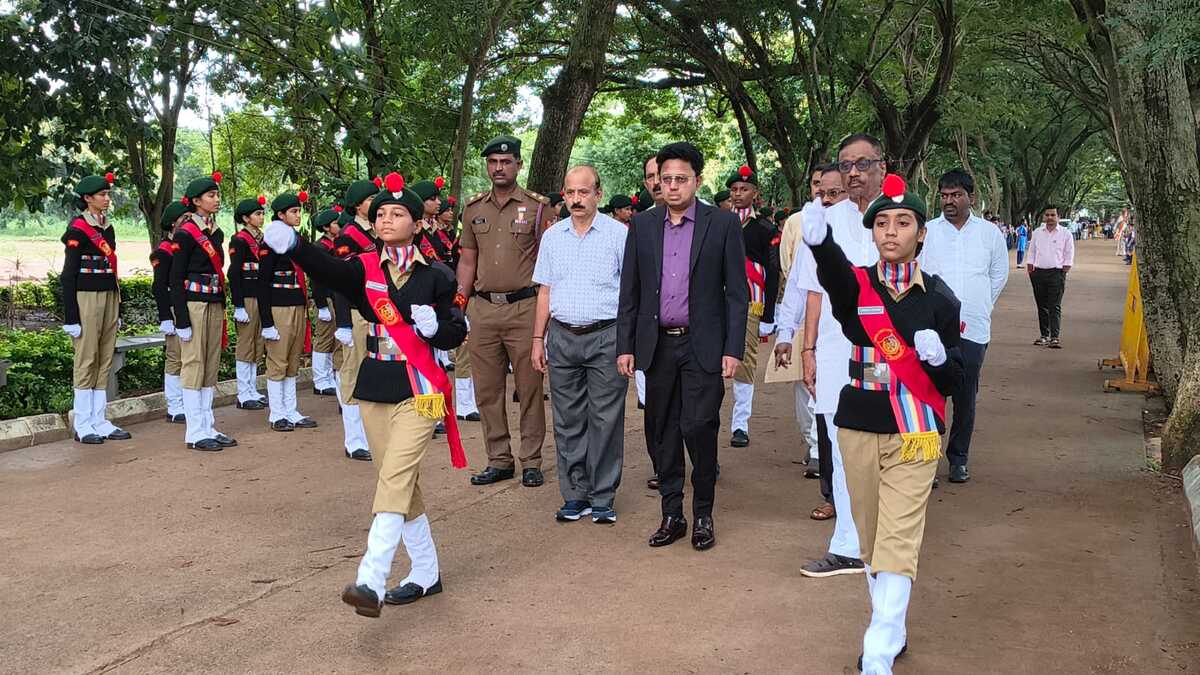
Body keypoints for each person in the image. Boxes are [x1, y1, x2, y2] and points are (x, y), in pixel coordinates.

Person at [262, 172, 467, 617]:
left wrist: (438, 328)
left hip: (421, 387)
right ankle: (426, 571)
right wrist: (294, 245)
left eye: (398, 213)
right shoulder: (363, 268)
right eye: (381, 214)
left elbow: (456, 332)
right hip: (375, 383)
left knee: (395, 476)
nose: (387, 219)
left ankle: (371, 578)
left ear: (417, 223)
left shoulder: (437, 274)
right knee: (398, 481)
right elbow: (327, 269)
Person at [800, 173, 963, 673]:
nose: (891, 231)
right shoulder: (859, 286)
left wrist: (939, 360)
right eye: (883, 222)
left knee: (899, 536)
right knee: (872, 537)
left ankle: (878, 646)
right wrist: (822, 243)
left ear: (921, 232)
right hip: (859, 423)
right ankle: (893, 627)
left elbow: (955, 380)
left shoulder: (940, 299)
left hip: (915, 430)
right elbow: (835, 278)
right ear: (872, 232)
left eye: (903, 222)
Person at [617, 141, 748, 551]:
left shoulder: (721, 224)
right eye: (666, 178)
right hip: (656, 344)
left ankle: (703, 513)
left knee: (698, 425)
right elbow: (630, 291)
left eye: (681, 179)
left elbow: (736, 293)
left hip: (702, 344)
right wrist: (625, 345)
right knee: (663, 431)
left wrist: (733, 348)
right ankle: (671, 513)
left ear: (697, 180)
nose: (672, 186)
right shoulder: (643, 225)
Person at [787, 134, 889, 576]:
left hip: (890, 353)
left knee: (886, 444)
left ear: (882, 167)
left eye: (863, 164)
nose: (854, 173)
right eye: (846, 165)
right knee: (841, 443)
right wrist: (807, 350)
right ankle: (848, 543)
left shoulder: (898, 218)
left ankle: (887, 540)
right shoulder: (824, 223)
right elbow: (812, 292)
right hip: (834, 350)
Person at [531, 165, 629, 524]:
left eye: (583, 192)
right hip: (562, 337)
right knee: (567, 418)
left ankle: (602, 496)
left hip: (607, 335)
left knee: (605, 418)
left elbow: (631, 292)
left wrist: (628, 343)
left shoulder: (619, 235)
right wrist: (538, 339)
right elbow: (545, 291)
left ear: (598, 194)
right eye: (570, 192)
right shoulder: (552, 237)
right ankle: (575, 495)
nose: (576, 199)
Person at [457, 135, 551, 488]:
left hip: (525, 308)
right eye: (493, 162)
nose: (499, 168)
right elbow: (468, 261)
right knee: (487, 390)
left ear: (518, 165)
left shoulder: (538, 207)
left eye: (506, 162)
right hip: (483, 310)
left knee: (529, 388)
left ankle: (531, 461)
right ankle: (498, 460)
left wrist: (546, 314)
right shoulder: (473, 208)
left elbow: (550, 262)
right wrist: (460, 305)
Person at [918, 169, 1008, 484]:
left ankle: (958, 459)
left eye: (956, 195)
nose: (949, 201)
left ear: (971, 197)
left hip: (974, 327)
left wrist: (980, 304)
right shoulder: (927, 232)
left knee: (965, 395)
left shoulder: (990, 234)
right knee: (929, 393)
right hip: (933, 329)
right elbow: (918, 275)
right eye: (944, 195)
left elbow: (999, 274)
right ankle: (926, 462)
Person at [776, 163, 844, 511]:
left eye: (835, 193)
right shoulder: (811, 237)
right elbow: (798, 288)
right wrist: (786, 334)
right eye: (821, 193)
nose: (826, 200)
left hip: (868, 345)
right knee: (825, 418)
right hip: (823, 343)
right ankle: (831, 496)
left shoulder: (873, 230)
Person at [61, 172, 132, 444]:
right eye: (102, 195)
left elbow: (112, 269)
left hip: (108, 295)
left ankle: (99, 419)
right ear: (88, 198)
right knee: (87, 358)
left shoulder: (107, 228)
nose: (107, 199)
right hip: (86, 296)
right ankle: (83, 423)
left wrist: (118, 308)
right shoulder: (78, 229)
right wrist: (71, 316)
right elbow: (68, 274)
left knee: (104, 358)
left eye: (108, 194)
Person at [172, 172, 237, 451]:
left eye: (217, 194)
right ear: (196, 201)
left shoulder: (215, 231)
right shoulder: (186, 233)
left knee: (210, 364)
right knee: (194, 364)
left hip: (213, 300)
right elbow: (175, 277)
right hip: (194, 303)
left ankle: (208, 425)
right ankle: (194, 431)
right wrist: (181, 319)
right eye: (211, 195)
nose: (216, 199)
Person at [725, 164, 781, 448]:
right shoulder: (719, 222)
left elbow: (774, 272)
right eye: (734, 189)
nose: (738, 194)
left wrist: (769, 314)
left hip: (751, 302)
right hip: (718, 300)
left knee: (745, 361)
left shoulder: (765, 228)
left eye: (744, 189)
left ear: (755, 193)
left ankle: (740, 424)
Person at [258, 191, 319, 432]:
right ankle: (277, 413)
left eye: (298, 211)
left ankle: (291, 410)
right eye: (293, 211)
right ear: (281, 215)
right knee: (278, 360)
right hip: (279, 306)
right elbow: (263, 282)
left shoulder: (296, 239)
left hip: (297, 304)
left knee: (293, 360)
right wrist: (267, 321)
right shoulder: (270, 242)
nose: (298, 215)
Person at [331, 179, 383, 459]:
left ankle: (373, 433)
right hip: (356, 312)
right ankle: (354, 439)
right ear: (357, 205)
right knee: (353, 372)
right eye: (371, 199)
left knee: (377, 369)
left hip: (379, 310)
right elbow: (341, 280)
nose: (376, 203)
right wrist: (343, 322)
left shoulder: (379, 230)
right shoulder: (348, 236)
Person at [228, 196, 269, 410]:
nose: (261, 217)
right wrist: (238, 305)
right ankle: (243, 393)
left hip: (261, 296)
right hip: (247, 297)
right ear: (245, 218)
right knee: (245, 344)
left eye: (262, 213)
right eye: (257, 214)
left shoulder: (262, 239)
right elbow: (234, 273)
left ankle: (252, 389)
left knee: (257, 344)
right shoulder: (239, 240)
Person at [152, 200, 189, 425]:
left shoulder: (186, 245)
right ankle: (174, 405)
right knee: (175, 357)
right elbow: (159, 286)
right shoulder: (164, 250)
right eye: (185, 218)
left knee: (188, 356)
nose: (189, 222)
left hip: (187, 304)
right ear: (174, 223)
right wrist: (165, 316)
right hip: (174, 309)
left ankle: (185, 401)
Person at [1026, 205, 1075, 349]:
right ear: (1044, 217)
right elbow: (1032, 251)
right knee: (1041, 306)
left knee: (1054, 305)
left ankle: (1054, 337)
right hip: (1038, 273)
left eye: (1053, 215)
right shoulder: (1037, 233)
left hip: (1056, 273)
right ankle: (1044, 336)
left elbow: (1069, 252)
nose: (1050, 218)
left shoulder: (1065, 234)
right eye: (1047, 215)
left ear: (1058, 217)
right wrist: (1030, 266)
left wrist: (1065, 268)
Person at [309, 207, 341, 398]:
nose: (340, 225)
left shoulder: (337, 244)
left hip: (337, 296)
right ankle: (320, 380)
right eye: (336, 223)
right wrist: (321, 305)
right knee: (324, 339)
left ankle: (329, 377)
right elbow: (316, 278)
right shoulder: (320, 247)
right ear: (327, 228)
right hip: (326, 297)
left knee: (335, 339)